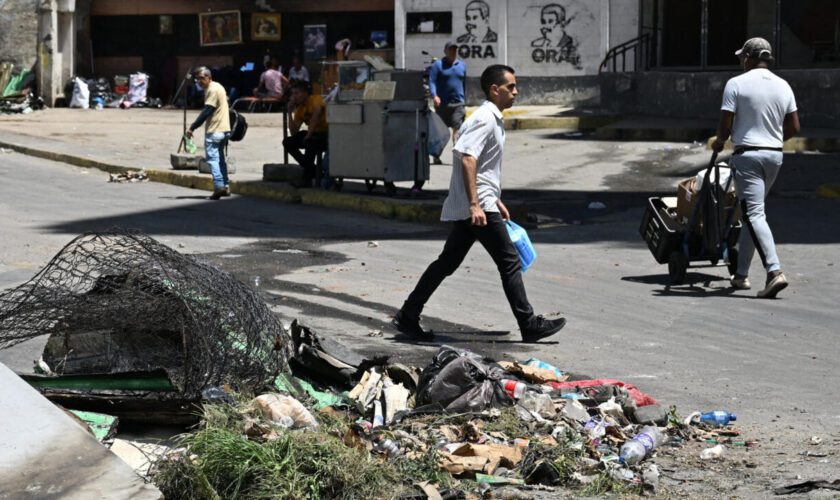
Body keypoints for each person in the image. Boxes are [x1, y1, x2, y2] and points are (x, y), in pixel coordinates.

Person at [392, 65, 566, 343]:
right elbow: (467, 157)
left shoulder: (490, 117)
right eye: (511, 87)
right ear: (494, 90)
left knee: (447, 262)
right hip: (477, 206)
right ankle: (529, 323)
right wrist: (477, 204)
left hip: (481, 201)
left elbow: (480, 164)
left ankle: (409, 314)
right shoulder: (485, 118)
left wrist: (495, 198)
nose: (515, 92)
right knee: (509, 262)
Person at [712, 37, 800, 298]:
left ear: (749, 58)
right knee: (752, 213)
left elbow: (726, 123)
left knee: (753, 214)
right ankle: (740, 275)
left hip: (748, 156)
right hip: (774, 157)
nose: (741, 61)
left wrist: (719, 141)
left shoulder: (736, 84)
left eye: (742, 57)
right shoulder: (783, 86)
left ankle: (775, 272)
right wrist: (772, 142)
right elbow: (794, 127)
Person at [186, 67, 231, 200]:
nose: (199, 81)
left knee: (213, 160)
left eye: (202, 78)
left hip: (215, 130)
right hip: (224, 130)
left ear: (209, 78)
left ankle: (218, 186)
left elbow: (207, 111)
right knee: (221, 160)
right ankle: (226, 186)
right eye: (197, 79)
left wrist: (192, 128)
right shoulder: (218, 86)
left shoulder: (212, 89)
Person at [429, 41, 467, 165]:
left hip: (458, 104)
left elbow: (463, 83)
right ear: (445, 51)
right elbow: (432, 81)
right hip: (442, 105)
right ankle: (436, 155)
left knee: (457, 129)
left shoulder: (462, 65)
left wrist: (463, 98)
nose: (453, 52)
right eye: (451, 49)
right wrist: (435, 96)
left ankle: (457, 155)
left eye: (455, 50)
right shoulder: (438, 65)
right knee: (441, 133)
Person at [283, 80, 328, 186]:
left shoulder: (315, 99)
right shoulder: (300, 109)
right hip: (313, 133)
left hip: (326, 133)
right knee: (288, 142)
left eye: (297, 93)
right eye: (293, 94)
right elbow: (294, 132)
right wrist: (289, 113)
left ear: (305, 93)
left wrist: (308, 135)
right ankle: (313, 169)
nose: (294, 97)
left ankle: (306, 179)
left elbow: (316, 114)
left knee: (310, 141)